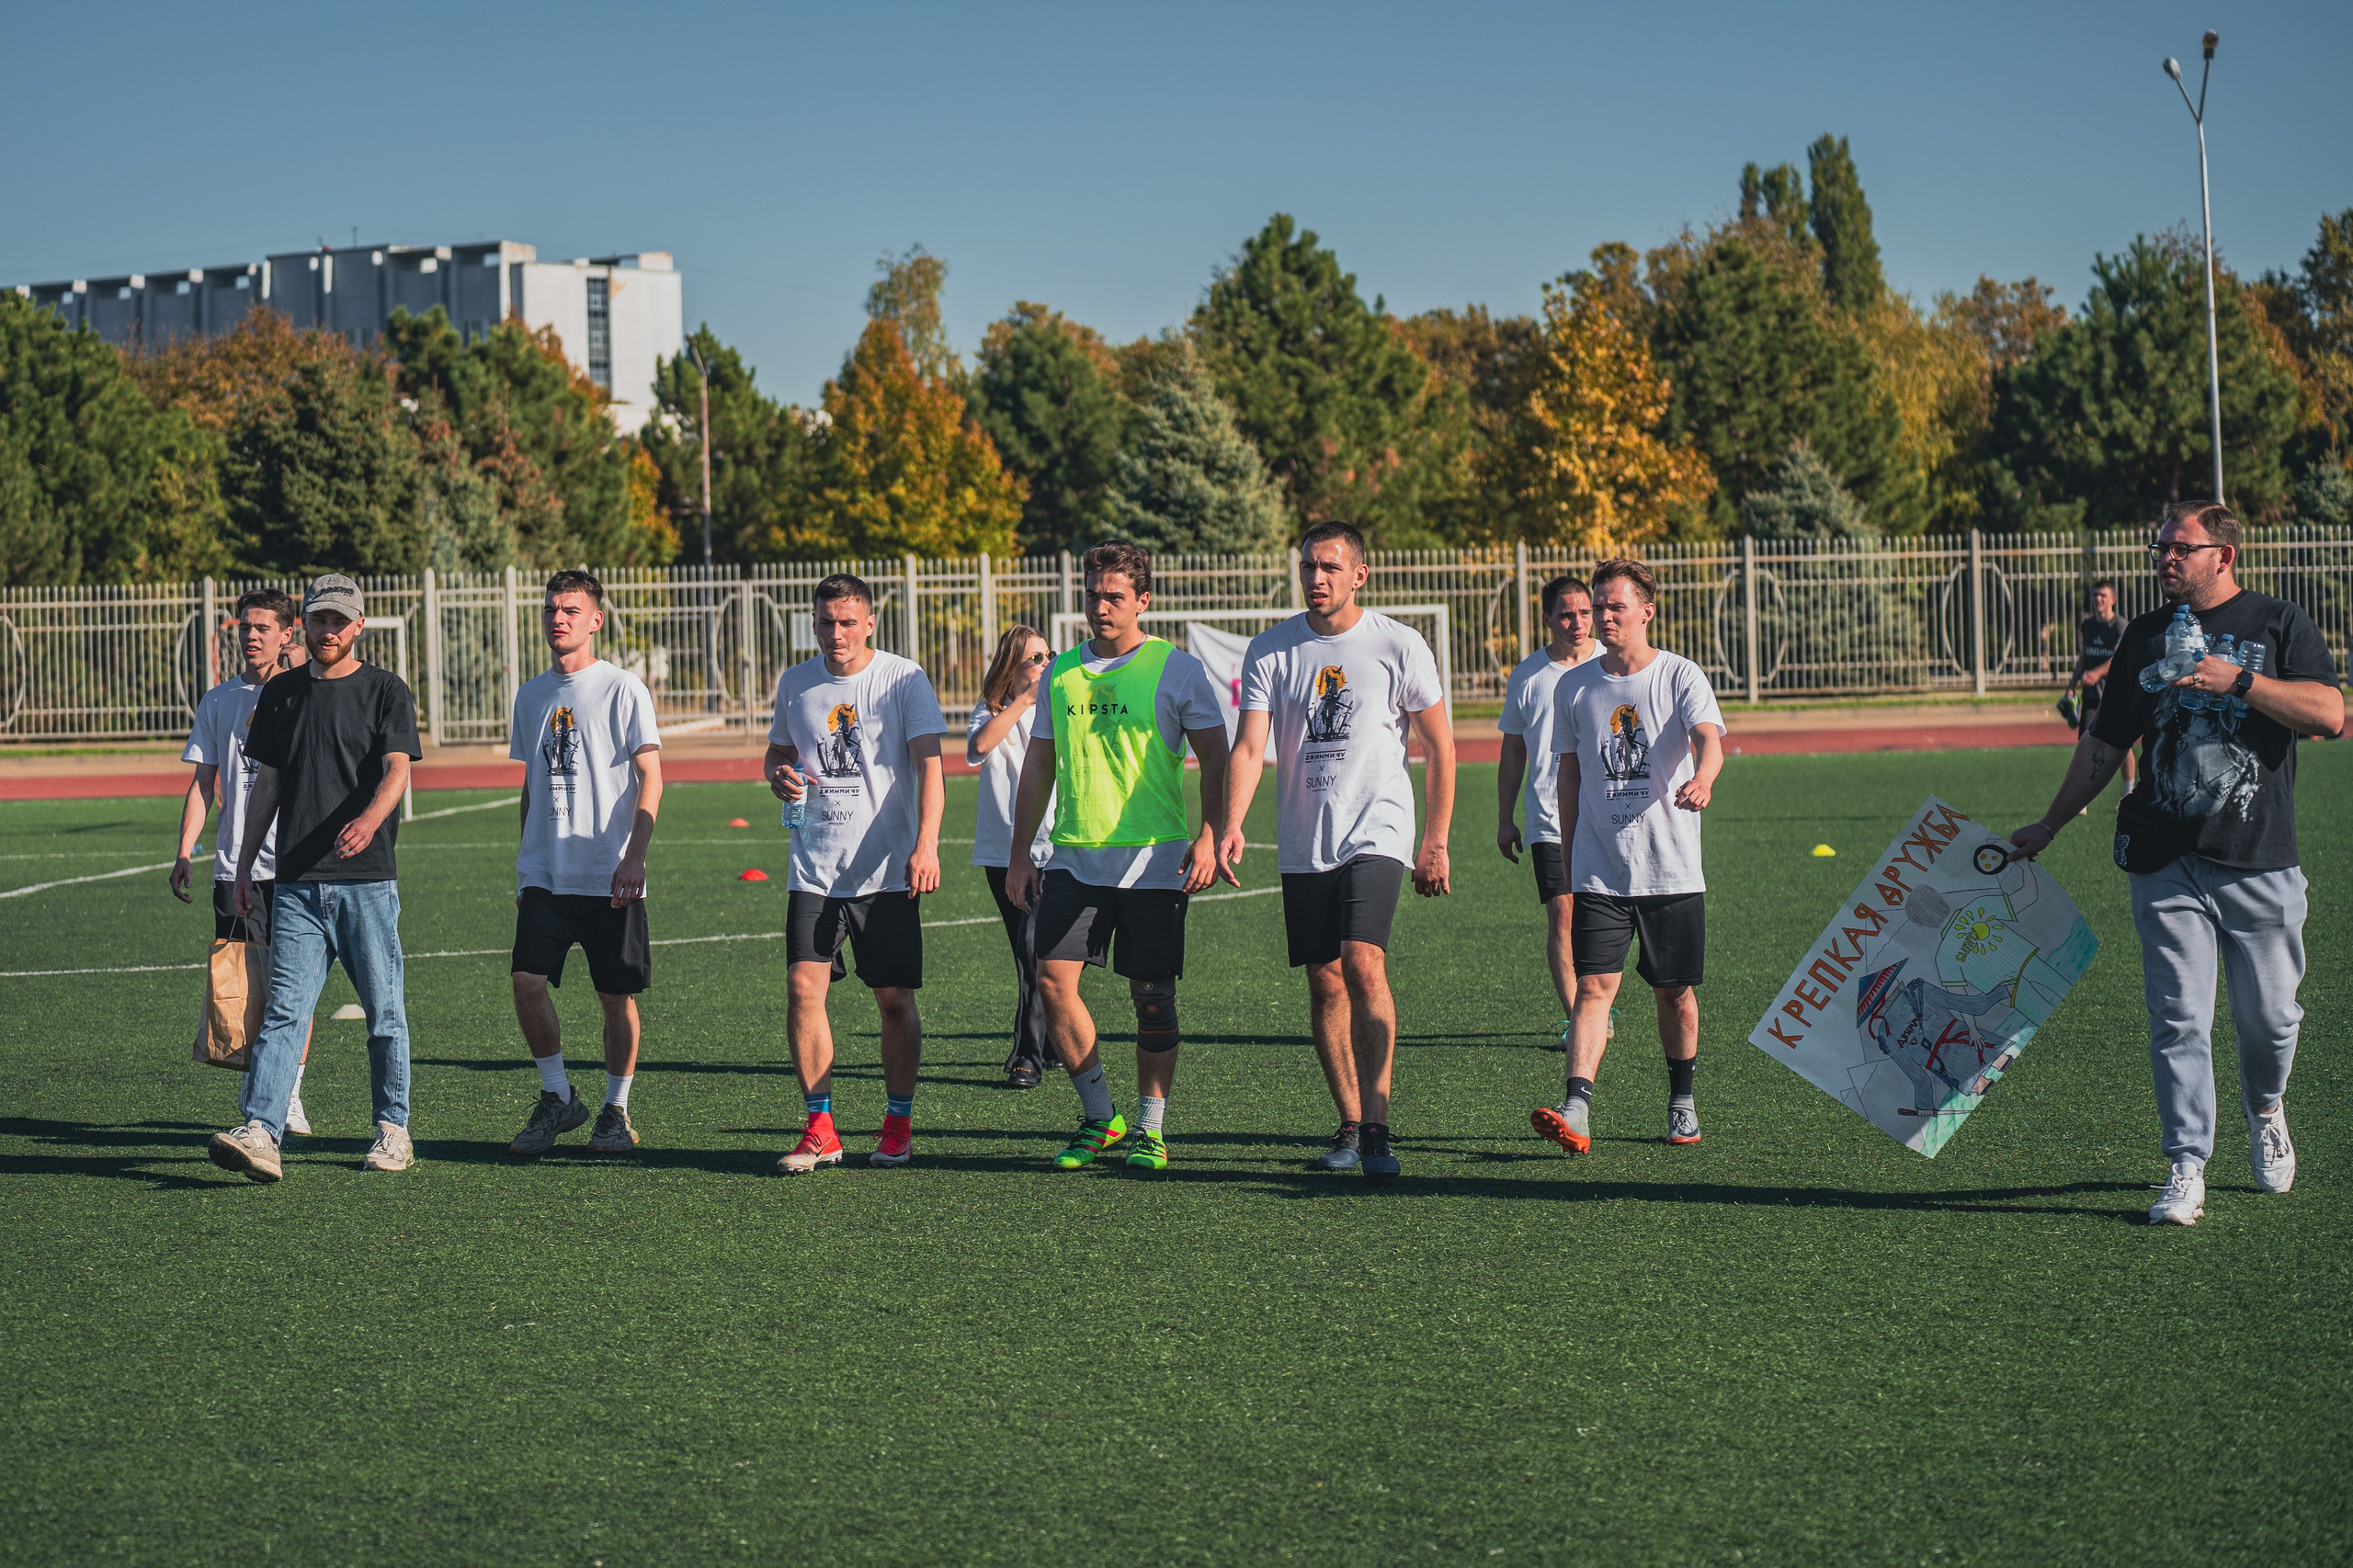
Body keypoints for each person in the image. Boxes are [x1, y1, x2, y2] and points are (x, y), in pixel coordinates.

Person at [2006, 502, 2341, 1227]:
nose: (2164, 558)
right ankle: (2187, 1165)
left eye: (2178, 548)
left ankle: (2266, 1106)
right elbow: (2103, 743)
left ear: (2222, 555)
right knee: (2179, 1017)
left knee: (2271, 1020)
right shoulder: (2145, 637)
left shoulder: (2278, 624)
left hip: (2258, 860)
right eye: (2160, 546)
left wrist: (2240, 683)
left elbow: (2329, 714)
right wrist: (2050, 823)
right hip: (2163, 859)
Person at [1218, 522, 1453, 1180]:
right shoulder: (1271, 650)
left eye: (1328, 566)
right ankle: (1348, 1121)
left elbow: (1441, 747)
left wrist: (1434, 839)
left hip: (1377, 829)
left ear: (1360, 574)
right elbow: (1248, 748)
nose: (1315, 578)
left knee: (1362, 962)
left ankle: (1377, 1125)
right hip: (1303, 837)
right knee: (1324, 981)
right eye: (1307, 567)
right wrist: (1231, 822)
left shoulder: (1398, 644)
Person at [1004, 540, 1231, 1173]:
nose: (1100, 607)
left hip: (1154, 864)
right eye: (1093, 595)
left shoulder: (1176, 669)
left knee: (1151, 997)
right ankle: (1102, 1117)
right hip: (1075, 859)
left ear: (1143, 602)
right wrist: (1021, 853)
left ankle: (1152, 1130)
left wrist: (1211, 833)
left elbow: (1215, 753)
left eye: (1114, 597)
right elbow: (1039, 762)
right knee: (1052, 982)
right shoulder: (1062, 672)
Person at [206, 574, 424, 1183]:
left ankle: (392, 1129)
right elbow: (266, 788)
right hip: (297, 883)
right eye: (318, 619)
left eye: (338, 620)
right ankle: (261, 1132)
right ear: (303, 624)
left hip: (367, 883)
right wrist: (247, 867)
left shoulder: (385, 691)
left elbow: (397, 771)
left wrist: (369, 819)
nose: (327, 630)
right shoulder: (280, 695)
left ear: (359, 626)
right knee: (284, 1013)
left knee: (385, 1013)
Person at [1530, 558, 1724, 1155]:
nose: (1603, 616)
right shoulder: (1574, 686)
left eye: (1616, 606)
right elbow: (1568, 772)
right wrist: (1567, 852)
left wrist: (1706, 779)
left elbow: (1708, 740)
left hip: (1670, 869)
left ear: (1648, 611)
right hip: (1599, 870)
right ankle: (1577, 1108)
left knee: (1674, 993)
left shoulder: (1679, 675)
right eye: (1599, 605)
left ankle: (1682, 1100)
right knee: (1594, 988)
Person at [765, 574, 947, 1173]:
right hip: (814, 866)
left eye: (847, 622)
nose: (835, 633)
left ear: (869, 622)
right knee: (802, 989)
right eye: (825, 622)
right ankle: (820, 1127)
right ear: (813, 622)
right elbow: (779, 752)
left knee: (892, 999)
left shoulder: (902, 678)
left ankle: (897, 1124)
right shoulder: (795, 684)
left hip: (887, 871)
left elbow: (930, 767)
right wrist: (779, 774)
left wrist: (926, 845)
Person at [506, 571, 665, 1159]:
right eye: (551, 609)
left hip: (609, 873)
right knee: (526, 984)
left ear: (596, 619)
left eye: (572, 610)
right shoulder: (530, 694)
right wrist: (526, 861)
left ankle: (616, 1109)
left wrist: (634, 857)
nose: (558, 618)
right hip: (546, 874)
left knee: (615, 996)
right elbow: (531, 784)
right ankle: (557, 1096)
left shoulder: (624, 689)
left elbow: (653, 777)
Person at [172, 587, 314, 1131]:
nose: (251, 636)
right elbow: (202, 783)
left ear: (286, 634)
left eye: (263, 628)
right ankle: (263, 1090)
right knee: (243, 986)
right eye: (244, 627)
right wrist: (185, 851)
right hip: (235, 869)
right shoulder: (218, 701)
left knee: (291, 987)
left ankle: (289, 1093)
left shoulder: (304, 695)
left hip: (293, 868)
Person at [1496, 574, 1603, 1053]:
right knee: (1563, 918)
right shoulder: (1527, 676)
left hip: (1608, 813)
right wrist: (1505, 817)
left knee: (1605, 917)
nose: (1577, 622)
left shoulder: (1614, 664)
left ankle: (1599, 1000)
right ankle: (1580, 1017)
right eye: (1566, 613)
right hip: (1548, 818)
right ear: (1546, 619)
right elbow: (1513, 752)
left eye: (1584, 612)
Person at [968, 623, 1056, 1089]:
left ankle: (1029, 1055)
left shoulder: (1060, 705)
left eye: (1049, 656)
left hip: (1054, 847)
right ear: (1012, 666)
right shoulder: (992, 708)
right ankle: (1052, 1040)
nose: (1046, 665)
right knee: (1025, 954)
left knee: (1034, 951)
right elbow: (978, 747)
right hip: (1003, 851)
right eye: (1035, 659)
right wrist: (1023, 700)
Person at [2065, 580, 2137, 796]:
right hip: (2091, 696)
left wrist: (2096, 673)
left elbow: (2117, 659)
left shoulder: (2120, 626)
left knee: (2123, 746)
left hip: (2116, 694)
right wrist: (2070, 686)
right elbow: (2083, 658)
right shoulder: (2087, 625)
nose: (2098, 599)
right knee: (2085, 745)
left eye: (2103, 595)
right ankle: (2081, 799)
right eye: (2095, 595)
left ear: (2112, 600)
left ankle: (2128, 793)